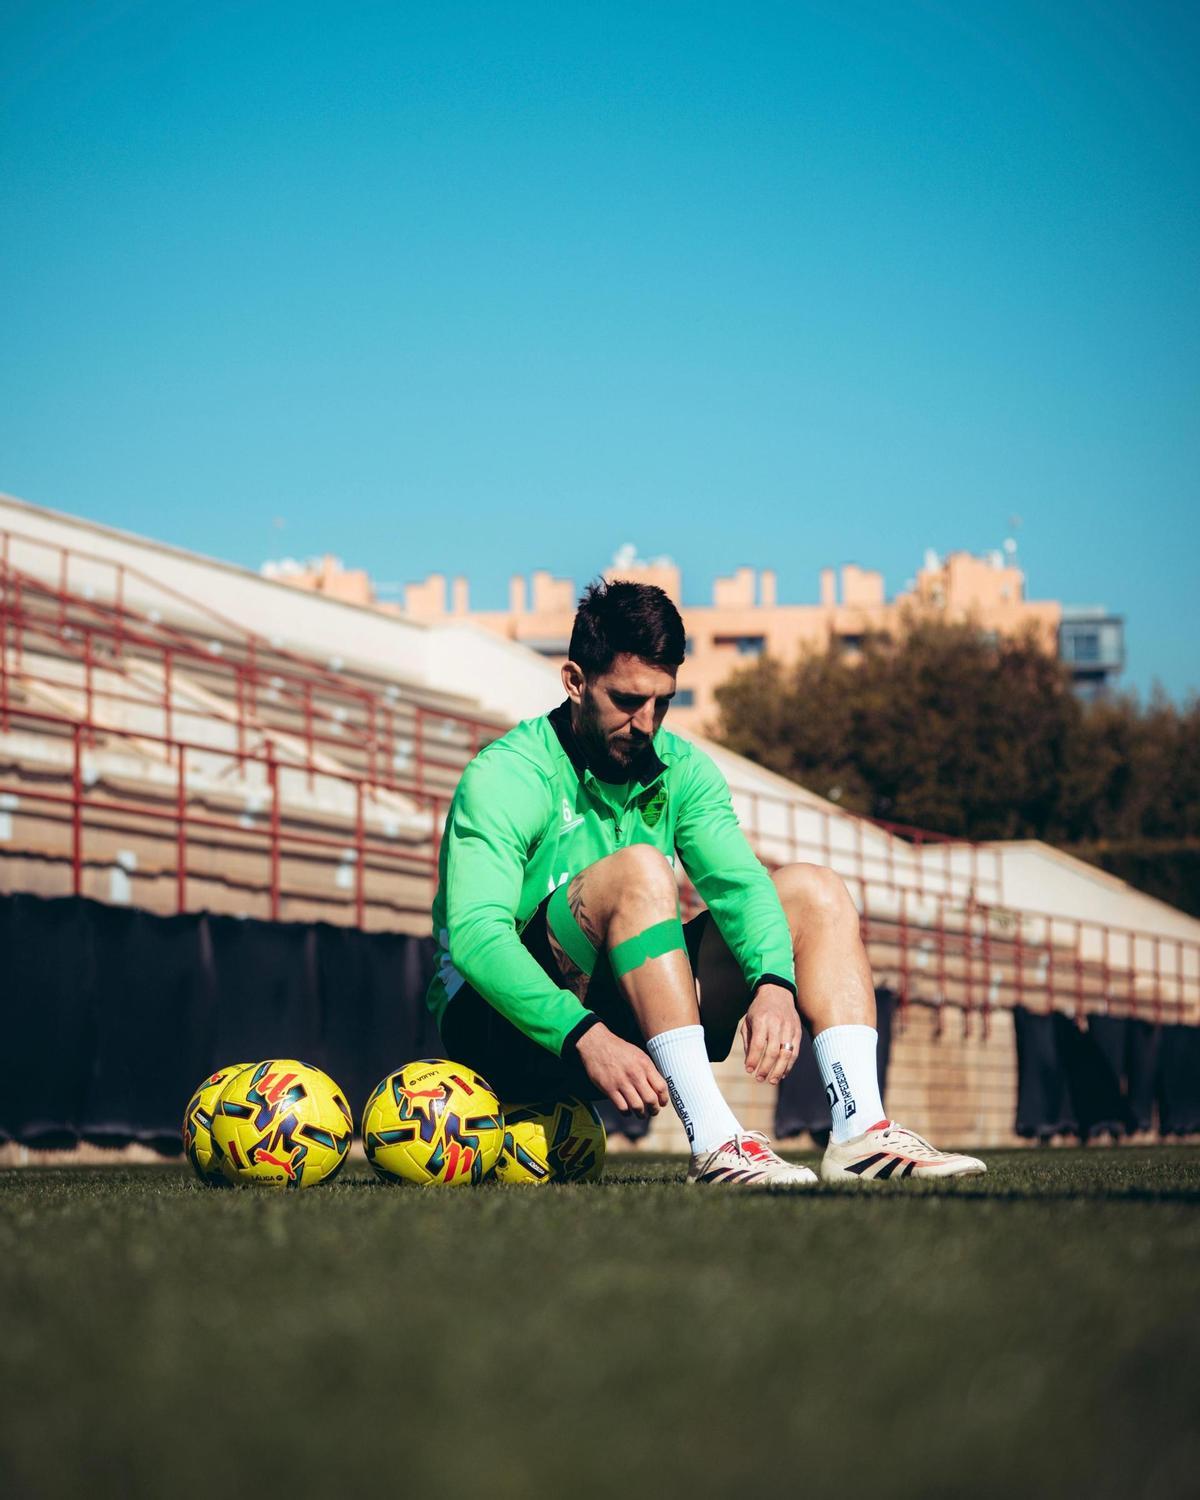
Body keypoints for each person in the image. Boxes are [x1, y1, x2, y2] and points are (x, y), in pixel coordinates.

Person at [428, 579, 985, 1187]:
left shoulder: (683, 769)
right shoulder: (508, 774)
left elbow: (743, 887)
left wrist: (774, 982)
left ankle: (860, 1133)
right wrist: (581, 1033)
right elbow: (478, 936)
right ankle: (717, 1143)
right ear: (574, 681)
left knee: (814, 890)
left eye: (662, 702)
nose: (645, 722)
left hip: (623, 1014)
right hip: (499, 1033)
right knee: (641, 868)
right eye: (627, 700)